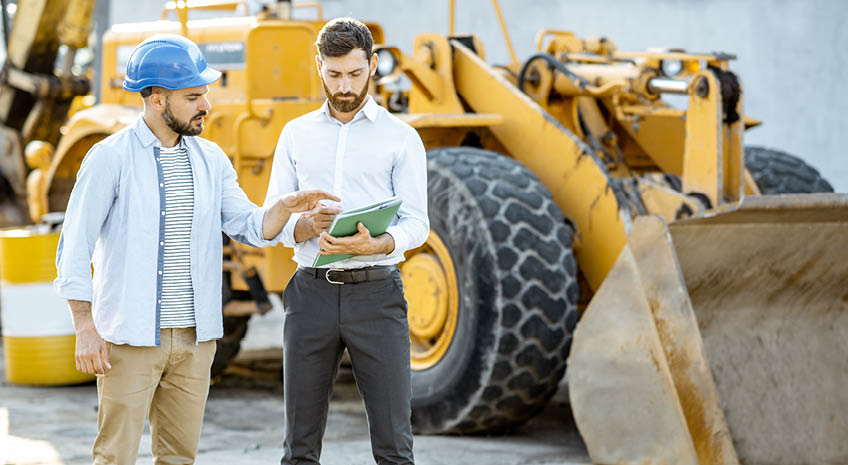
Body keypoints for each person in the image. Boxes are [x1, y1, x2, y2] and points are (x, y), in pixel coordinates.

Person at [54, 34, 337, 465]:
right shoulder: (108, 158)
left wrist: (286, 211)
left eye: (204, 94)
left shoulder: (211, 159)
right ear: (155, 98)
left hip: (195, 340)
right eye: (193, 96)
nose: (206, 105)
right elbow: (74, 244)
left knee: (179, 458)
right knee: (114, 456)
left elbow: (248, 225)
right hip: (130, 338)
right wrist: (84, 326)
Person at [264, 17, 429, 465]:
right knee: (298, 449)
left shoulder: (402, 138)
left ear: (373, 65)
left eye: (355, 74)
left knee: (395, 448)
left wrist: (377, 245)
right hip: (310, 292)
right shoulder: (295, 134)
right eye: (334, 74)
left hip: (377, 294)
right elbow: (274, 223)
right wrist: (307, 225)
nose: (344, 86)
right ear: (319, 66)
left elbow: (418, 224)